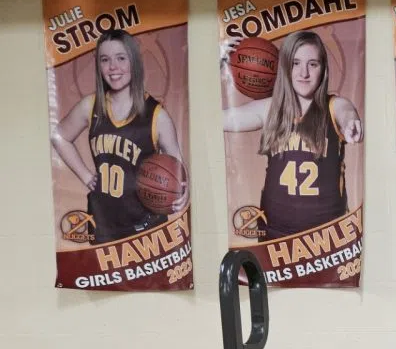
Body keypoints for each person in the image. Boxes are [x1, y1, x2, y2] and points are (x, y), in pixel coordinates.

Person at [222, 30, 363, 240]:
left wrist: (351, 122)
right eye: (296, 63)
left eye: (313, 64)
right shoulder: (270, 109)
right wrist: (219, 63)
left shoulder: (335, 106)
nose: (303, 73)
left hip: (328, 236)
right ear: (285, 67)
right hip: (274, 234)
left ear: (323, 69)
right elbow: (214, 118)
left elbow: (347, 113)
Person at [51, 29, 188, 244]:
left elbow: (176, 162)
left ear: (134, 62)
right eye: (105, 60)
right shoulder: (91, 106)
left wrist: (182, 191)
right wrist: (86, 176)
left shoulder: (156, 115)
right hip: (103, 222)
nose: (113, 67)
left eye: (121, 58)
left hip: (146, 224)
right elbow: (59, 136)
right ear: (99, 66)